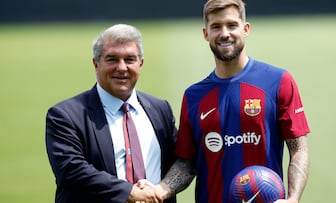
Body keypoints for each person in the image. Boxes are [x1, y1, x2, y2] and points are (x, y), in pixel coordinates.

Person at [151, 0, 310, 203]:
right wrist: (159, 191)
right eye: (216, 26)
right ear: (205, 33)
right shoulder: (193, 96)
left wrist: (293, 198)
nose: (224, 33)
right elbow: (186, 163)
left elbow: (298, 148)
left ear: (245, 29)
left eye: (231, 25)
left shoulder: (278, 81)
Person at [45, 24, 177, 203]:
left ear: (141, 63)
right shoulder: (65, 115)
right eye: (112, 59)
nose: (122, 68)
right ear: (96, 63)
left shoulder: (160, 109)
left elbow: (182, 159)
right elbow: (72, 171)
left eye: (129, 59)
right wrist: (130, 193)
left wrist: (161, 190)